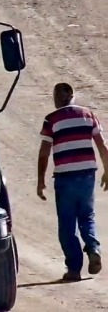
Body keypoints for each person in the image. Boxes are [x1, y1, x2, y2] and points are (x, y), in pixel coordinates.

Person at [37, 82, 108, 281]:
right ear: (72, 96)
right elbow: (102, 145)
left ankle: (74, 269)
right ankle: (93, 249)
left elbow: (44, 153)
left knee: (67, 224)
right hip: (87, 175)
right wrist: (107, 170)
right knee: (87, 216)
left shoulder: (51, 119)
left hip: (65, 177)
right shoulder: (88, 114)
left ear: (56, 98)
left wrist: (40, 180)